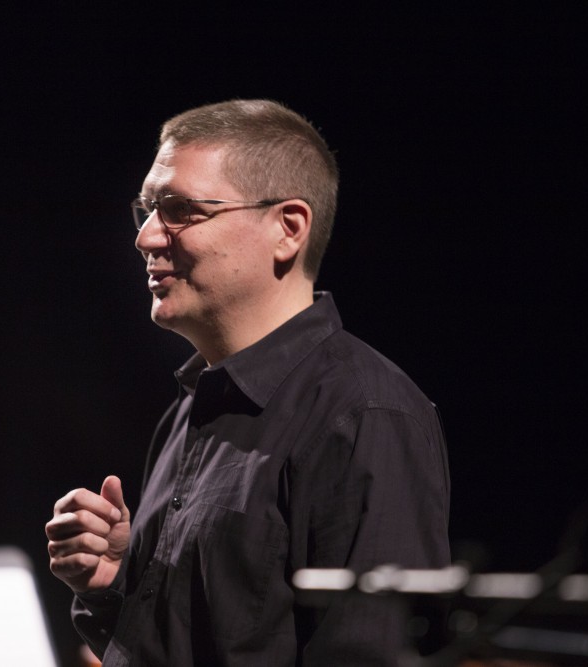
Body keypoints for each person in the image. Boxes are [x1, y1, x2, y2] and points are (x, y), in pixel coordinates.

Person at [45, 99, 451, 666]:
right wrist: (112, 586)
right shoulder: (190, 411)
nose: (146, 237)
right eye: (146, 210)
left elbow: (371, 653)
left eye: (179, 209)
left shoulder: (364, 412)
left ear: (287, 229)